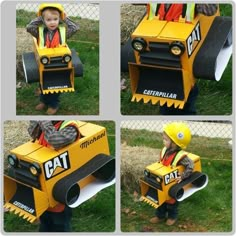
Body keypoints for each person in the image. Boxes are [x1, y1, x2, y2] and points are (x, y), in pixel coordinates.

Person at [28, 120, 81, 232]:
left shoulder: (70, 128)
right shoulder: (47, 124)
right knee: (45, 223)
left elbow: (54, 141)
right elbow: (32, 133)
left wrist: (45, 123)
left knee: (60, 225)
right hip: (43, 181)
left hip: (59, 187)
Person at [26, 4, 79, 115]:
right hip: (44, 65)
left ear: (59, 19)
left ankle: (53, 105)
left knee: (55, 86)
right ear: (43, 20)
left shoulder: (63, 33)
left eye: (55, 19)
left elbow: (75, 28)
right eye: (48, 20)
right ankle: (43, 101)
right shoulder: (39, 33)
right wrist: (40, 18)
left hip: (59, 65)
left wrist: (65, 18)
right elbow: (29, 27)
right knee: (42, 84)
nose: (52, 22)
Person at [149, 122, 194, 226]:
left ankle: (172, 217)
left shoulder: (181, 156)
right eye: (163, 138)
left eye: (166, 139)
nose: (163, 141)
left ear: (174, 143)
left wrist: (182, 176)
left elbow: (190, 165)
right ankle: (160, 216)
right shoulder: (165, 150)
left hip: (173, 184)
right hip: (162, 181)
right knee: (160, 200)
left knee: (172, 202)